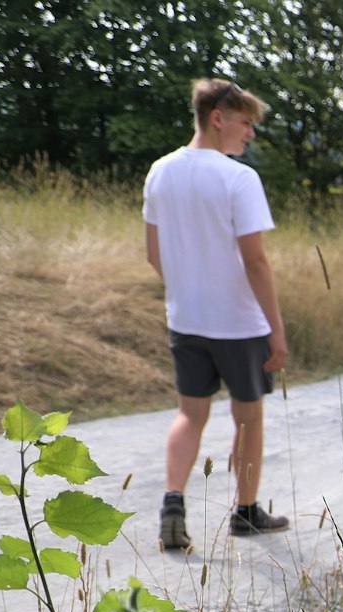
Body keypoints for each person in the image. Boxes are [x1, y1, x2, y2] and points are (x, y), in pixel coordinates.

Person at [143, 78, 291, 552]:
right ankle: (246, 514)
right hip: (239, 324)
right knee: (248, 417)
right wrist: (276, 329)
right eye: (246, 123)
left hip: (185, 319)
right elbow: (255, 261)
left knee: (190, 414)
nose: (250, 134)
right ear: (218, 118)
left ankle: (172, 505)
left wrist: (188, 288)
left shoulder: (160, 172)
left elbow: (153, 253)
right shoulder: (238, 178)